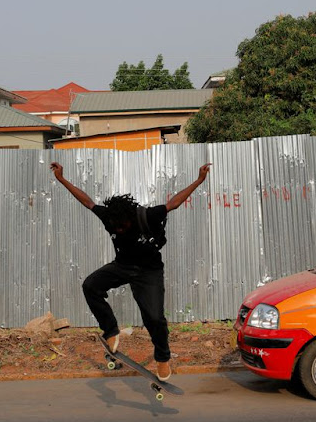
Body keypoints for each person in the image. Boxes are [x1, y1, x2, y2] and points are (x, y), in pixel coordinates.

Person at [50, 161, 212, 381]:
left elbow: (173, 203)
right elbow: (87, 201)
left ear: (129, 218)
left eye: (122, 227)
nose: (118, 230)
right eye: (115, 227)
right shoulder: (110, 216)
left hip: (149, 272)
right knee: (90, 285)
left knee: (154, 318)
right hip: (122, 267)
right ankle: (111, 331)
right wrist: (61, 179)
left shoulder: (147, 215)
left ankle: (163, 358)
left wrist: (199, 180)